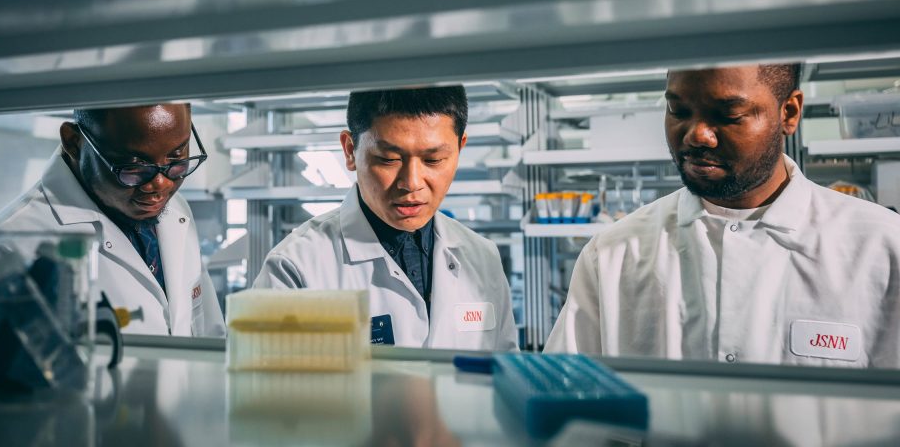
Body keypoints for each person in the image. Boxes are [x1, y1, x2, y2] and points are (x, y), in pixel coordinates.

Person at [544, 63, 900, 367]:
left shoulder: (881, 247)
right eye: (678, 111)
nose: (697, 135)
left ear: (789, 112)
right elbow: (560, 406)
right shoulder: (612, 253)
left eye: (728, 115)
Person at [253, 86, 519, 351]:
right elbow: (262, 388)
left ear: (459, 149)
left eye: (434, 159)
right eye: (388, 159)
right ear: (349, 150)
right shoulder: (295, 267)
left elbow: (505, 376)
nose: (412, 183)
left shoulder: (483, 258)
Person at [0, 103, 226, 337]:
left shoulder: (177, 210)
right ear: (73, 143)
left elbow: (208, 332)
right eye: (134, 167)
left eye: (176, 161)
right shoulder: (8, 246)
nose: (160, 184)